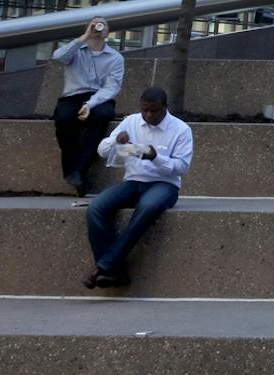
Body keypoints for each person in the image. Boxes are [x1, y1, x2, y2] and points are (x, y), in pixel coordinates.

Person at [83, 85, 193, 289]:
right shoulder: (131, 121)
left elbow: (182, 167)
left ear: (165, 108)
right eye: (144, 110)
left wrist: (156, 158)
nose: (148, 115)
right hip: (133, 182)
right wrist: (116, 141)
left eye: (153, 110)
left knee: (148, 207)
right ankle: (115, 271)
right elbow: (102, 151)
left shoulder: (181, 129)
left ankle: (103, 267)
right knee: (96, 207)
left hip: (165, 185)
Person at [52, 17, 125, 195]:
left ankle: (78, 171)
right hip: (72, 96)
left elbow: (111, 87)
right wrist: (83, 37)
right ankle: (74, 171)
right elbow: (58, 57)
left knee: (102, 115)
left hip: (99, 98)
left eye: (103, 25)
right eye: (94, 24)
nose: (98, 28)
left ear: (108, 32)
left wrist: (90, 104)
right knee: (63, 119)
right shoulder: (75, 51)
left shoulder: (115, 58)